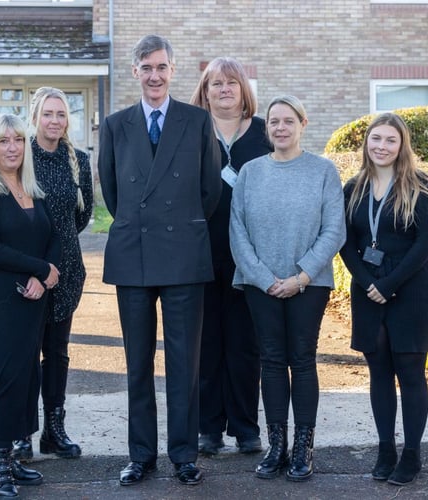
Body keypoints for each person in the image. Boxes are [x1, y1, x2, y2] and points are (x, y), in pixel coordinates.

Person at [98, 34, 222, 486]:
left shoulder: (197, 121)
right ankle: (141, 455)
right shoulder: (115, 125)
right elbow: (113, 192)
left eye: (162, 67)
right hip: (134, 255)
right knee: (136, 363)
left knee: (184, 363)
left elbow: (209, 190)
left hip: (184, 256)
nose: (155, 76)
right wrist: (141, 223)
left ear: (173, 71)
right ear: (135, 72)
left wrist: (181, 226)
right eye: (146, 68)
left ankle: (185, 455)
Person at [230, 95, 345, 482]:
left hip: (309, 285)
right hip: (259, 284)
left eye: (288, 121)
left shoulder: (323, 171)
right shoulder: (250, 172)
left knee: (302, 359)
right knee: (272, 361)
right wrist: (263, 278)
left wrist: (302, 276)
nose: (280, 128)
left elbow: (335, 229)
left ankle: (302, 447)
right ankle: (276, 445)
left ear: (302, 124)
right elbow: (237, 231)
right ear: (268, 129)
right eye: (274, 122)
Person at [339, 112, 428, 486]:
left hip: (411, 288)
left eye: (390, 140)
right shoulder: (353, 189)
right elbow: (346, 242)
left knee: (410, 370)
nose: (381, 146)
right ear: (366, 143)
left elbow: (424, 245)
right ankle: (386, 450)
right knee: (379, 371)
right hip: (368, 287)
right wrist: (368, 281)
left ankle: (412, 454)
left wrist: (390, 283)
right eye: (375, 139)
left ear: (402, 146)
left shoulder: (421, 187)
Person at [0, 113, 61, 498]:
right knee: (3, 379)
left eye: (18, 140)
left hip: (32, 298)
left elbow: (50, 235)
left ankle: (13, 456)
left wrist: (44, 274)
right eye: (4, 141)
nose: (12, 147)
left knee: (25, 376)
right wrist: (40, 268)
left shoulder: (31, 187)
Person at [189, 57, 272, 456]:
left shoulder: (262, 135)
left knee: (244, 344)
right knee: (206, 344)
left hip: (250, 257)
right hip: (200, 253)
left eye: (231, 84)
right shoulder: (190, 132)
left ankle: (245, 427)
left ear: (244, 91)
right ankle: (208, 427)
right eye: (216, 84)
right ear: (205, 92)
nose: (224, 90)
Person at [11, 87, 93, 461]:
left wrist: (56, 261)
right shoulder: (19, 154)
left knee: (57, 353)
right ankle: (21, 432)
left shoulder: (79, 160)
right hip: (28, 272)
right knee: (25, 353)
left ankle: (54, 431)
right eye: (48, 114)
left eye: (61, 114)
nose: (55, 121)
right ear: (34, 116)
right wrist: (37, 266)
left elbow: (82, 215)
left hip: (66, 271)